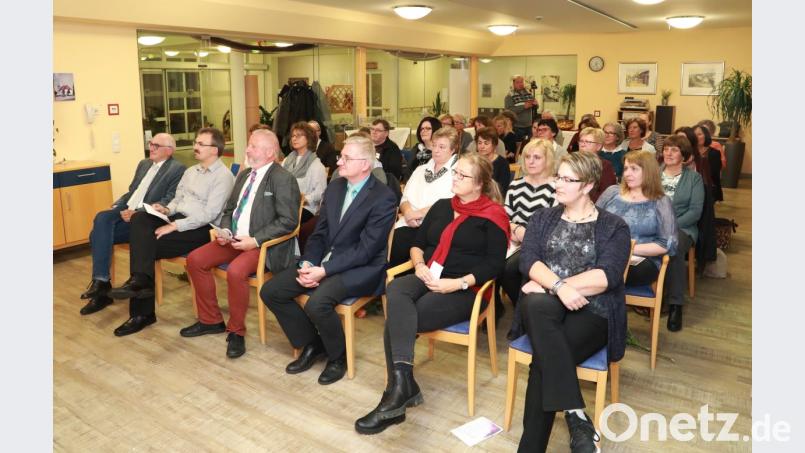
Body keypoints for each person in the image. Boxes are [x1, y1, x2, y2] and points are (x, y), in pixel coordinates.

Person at [355, 153, 509, 435]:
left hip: (465, 288)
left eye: (462, 175)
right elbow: (417, 243)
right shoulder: (440, 206)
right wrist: (420, 264)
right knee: (397, 288)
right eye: (456, 173)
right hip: (429, 273)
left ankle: (397, 394)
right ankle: (401, 388)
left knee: (401, 319)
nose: (455, 178)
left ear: (479, 184)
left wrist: (459, 283)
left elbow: (495, 264)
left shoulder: (493, 215)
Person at [516, 152, 631, 453]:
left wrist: (554, 286)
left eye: (567, 179)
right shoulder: (542, 217)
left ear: (588, 185)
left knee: (543, 362)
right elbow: (528, 259)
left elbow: (608, 276)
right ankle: (576, 415)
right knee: (534, 305)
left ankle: (534, 445)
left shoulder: (613, 226)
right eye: (558, 177)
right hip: (548, 304)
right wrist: (557, 287)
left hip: (594, 308)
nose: (558, 184)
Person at [261, 135, 397, 385]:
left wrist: (324, 270)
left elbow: (366, 250)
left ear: (365, 164)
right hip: (325, 261)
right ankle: (312, 344)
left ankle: (338, 357)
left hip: (362, 268)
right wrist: (308, 262)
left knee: (317, 303)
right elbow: (320, 232)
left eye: (346, 158)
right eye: (340, 156)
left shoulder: (383, 197)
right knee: (271, 291)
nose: (339, 161)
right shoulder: (335, 187)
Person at [183, 129, 301, 358]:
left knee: (236, 272)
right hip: (233, 238)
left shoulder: (282, 178)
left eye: (253, 146)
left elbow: (289, 221)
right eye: (249, 145)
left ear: (270, 152)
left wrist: (255, 240)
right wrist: (226, 230)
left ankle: (236, 332)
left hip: (263, 244)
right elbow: (229, 209)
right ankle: (211, 320)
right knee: (195, 260)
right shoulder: (245, 175)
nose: (247, 150)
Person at [107, 127, 235, 336]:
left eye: (201, 144)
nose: (195, 146)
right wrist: (166, 209)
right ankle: (141, 283)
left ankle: (142, 310)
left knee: (143, 247)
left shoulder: (224, 177)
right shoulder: (191, 171)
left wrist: (174, 225)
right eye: (196, 142)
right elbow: (178, 199)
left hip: (201, 229)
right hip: (178, 218)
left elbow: (210, 214)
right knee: (140, 218)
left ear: (215, 150)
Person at [79, 133, 185, 315]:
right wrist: (118, 205)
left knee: (97, 235)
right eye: (151, 143)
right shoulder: (144, 164)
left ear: (169, 151)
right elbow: (131, 192)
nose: (151, 147)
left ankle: (101, 290)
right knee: (102, 217)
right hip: (126, 210)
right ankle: (101, 282)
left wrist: (138, 212)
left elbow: (168, 201)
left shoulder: (177, 169)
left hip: (145, 218)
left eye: (156, 145)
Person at [500, 139, 557, 340]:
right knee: (493, 263)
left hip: (541, 244)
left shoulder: (556, 187)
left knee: (511, 269)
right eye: (527, 157)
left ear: (548, 160)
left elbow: (553, 225)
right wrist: (516, 229)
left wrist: (527, 234)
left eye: (537, 157)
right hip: (514, 238)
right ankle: (513, 309)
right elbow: (504, 217)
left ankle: (523, 314)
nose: (531, 161)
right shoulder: (516, 185)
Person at [596, 151, 678, 289]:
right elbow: (591, 221)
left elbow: (667, 244)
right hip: (603, 253)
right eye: (626, 168)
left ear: (648, 172)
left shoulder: (661, 202)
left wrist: (626, 249)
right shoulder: (612, 192)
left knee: (607, 269)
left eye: (634, 169)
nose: (627, 174)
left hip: (640, 259)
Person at [389, 127, 459, 266]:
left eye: (442, 147)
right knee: (390, 244)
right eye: (434, 145)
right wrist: (408, 213)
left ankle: (402, 281)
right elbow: (404, 198)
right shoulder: (420, 170)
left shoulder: (458, 172)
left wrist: (418, 214)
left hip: (435, 226)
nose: (436, 150)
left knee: (408, 247)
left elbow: (451, 203)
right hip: (408, 222)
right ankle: (388, 282)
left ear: (453, 149)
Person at [660, 135, 705, 331]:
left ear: (684, 155)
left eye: (675, 150)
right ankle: (648, 294)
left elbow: (695, 212)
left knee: (674, 247)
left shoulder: (694, 178)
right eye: (666, 149)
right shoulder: (653, 173)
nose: (669, 153)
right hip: (652, 226)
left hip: (682, 228)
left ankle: (675, 304)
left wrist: (670, 226)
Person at [283, 122, 328, 224]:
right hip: (285, 204)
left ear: (309, 138)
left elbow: (320, 193)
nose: (294, 138)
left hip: (306, 207)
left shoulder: (316, 164)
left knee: (281, 218)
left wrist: (302, 199)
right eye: (293, 136)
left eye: (298, 136)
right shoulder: (287, 160)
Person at [577, 127, 617, 202]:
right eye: (581, 141)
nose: (583, 145)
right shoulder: (573, 162)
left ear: (598, 146)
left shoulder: (605, 166)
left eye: (588, 142)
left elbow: (606, 194)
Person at [475, 126, 511, 195]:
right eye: (479, 143)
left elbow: (502, 190)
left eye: (486, 143)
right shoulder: (474, 161)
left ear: (494, 145)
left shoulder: (502, 164)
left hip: (493, 199)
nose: (482, 146)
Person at [694, 125, 724, 202]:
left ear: (706, 136)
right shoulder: (689, 151)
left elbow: (714, 174)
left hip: (708, 188)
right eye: (694, 135)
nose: (696, 137)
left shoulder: (714, 153)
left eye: (699, 134)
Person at [504, 75, 538, 141]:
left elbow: (535, 107)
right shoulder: (509, 96)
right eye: (518, 82)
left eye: (521, 82)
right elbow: (508, 111)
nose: (520, 84)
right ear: (513, 84)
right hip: (517, 127)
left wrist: (536, 105)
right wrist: (523, 107)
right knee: (518, 146)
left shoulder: (529, 93)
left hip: (529, 126)